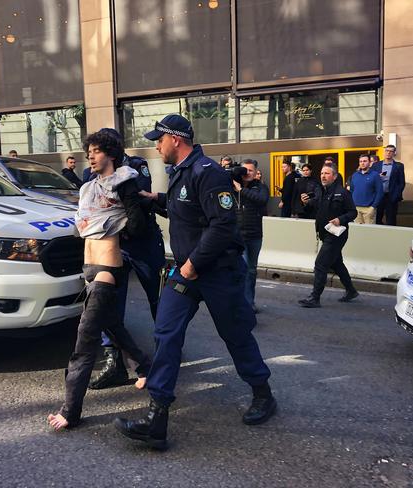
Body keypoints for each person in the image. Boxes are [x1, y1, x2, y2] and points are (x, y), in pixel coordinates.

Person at [114, 114, 275, 450]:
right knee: (166, 333)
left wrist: (192, 266)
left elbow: (221, 226)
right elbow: (184, 210)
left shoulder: (208, 173)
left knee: (235, 335)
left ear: (176, 139)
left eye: (159, 139)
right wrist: (153, 199)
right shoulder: (181, 173)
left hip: (216, 271)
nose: (156, 145)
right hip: (188, 272)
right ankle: (156, 422)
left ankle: (263, 393)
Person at [47, 130, 152, 431]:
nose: (90, 156)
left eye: (95, 151)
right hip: (89, 266)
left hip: (108, 267)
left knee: (85, 339)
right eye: (89, 151)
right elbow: (81, 224)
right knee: (112, 326)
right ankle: (145, 365)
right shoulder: (88, 187)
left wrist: (116, 227)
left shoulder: (125, 182)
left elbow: (139, 225)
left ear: (111, 153)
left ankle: (71, 411)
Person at [88, 128, 166, 390]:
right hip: (115, 247)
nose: (93, 156)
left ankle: (167, 351)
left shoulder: (135, 167)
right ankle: (114, 363)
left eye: (99, 149)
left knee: (158, 300)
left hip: (143, 244)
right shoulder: (94, 175)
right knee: (109, 305)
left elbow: (137, 201)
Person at [299, 164, 358, 308]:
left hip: (337, 235)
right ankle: (351, 291)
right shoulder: (321, 192)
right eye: (321, 173)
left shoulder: (342, 193)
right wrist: (306, 203)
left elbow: (353, 212)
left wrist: (340, 219)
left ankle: (315, 297)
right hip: (324, 234)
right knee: (337, 263)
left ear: (335, 176)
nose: (323, 176)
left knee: (320, 264)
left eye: (327, 173)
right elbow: (314, 208)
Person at [233, 159, 269, 313]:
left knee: (252, 270)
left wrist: (241, 190)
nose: (247, 173)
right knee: (245, 267)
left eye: (251, 170)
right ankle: (243, 303)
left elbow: (262, 200)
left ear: (256, 173)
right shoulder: (230, 187)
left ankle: (249, 301)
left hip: (255, 235)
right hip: (237, 236)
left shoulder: (260, 187)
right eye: (244, 170)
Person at [371, 145, 406, 226]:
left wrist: (396, 195)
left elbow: (401, 182)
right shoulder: (376, 165)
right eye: (387, 150)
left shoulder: (399, 166)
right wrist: (377, 177)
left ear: (394, 153)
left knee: (391, 220)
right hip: (379, 196)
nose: (388, 152)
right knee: (377, 219)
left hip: (391, 197)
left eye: (391, 151)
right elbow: (371, 181)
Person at [350, 154, 383, 224]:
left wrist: (373, 207)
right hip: (356, 209)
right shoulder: (355, 175)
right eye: (360, 161)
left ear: (369, 163)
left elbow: (379, 192)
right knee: (358, 232)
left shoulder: (375, 175)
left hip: (369, 209)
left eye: (365, 161)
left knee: (369, 232)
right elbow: (351, 191)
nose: (362, 163)